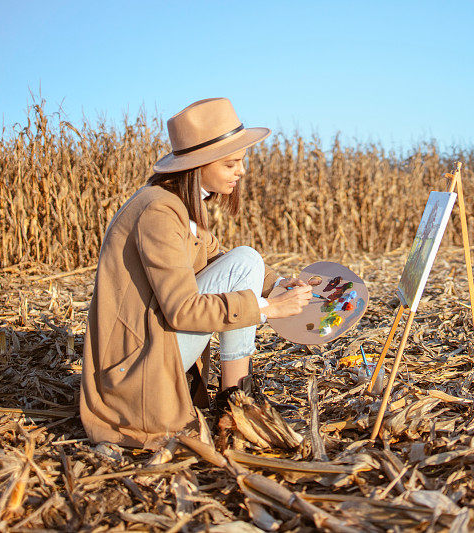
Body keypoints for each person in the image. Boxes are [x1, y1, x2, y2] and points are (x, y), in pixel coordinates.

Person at [79, 98, 312, 449]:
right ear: (198, 164)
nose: (241, 171)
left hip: (155, 345)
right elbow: (182, 310)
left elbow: (219, 260)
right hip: (137, 373)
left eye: (241, 161)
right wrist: (268, 308)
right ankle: (236, 400)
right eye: (231, 162)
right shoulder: (159, 212)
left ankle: (235, 397)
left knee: (247, 259)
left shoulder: (177, 204)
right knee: (246, 261)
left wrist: (279, 285)